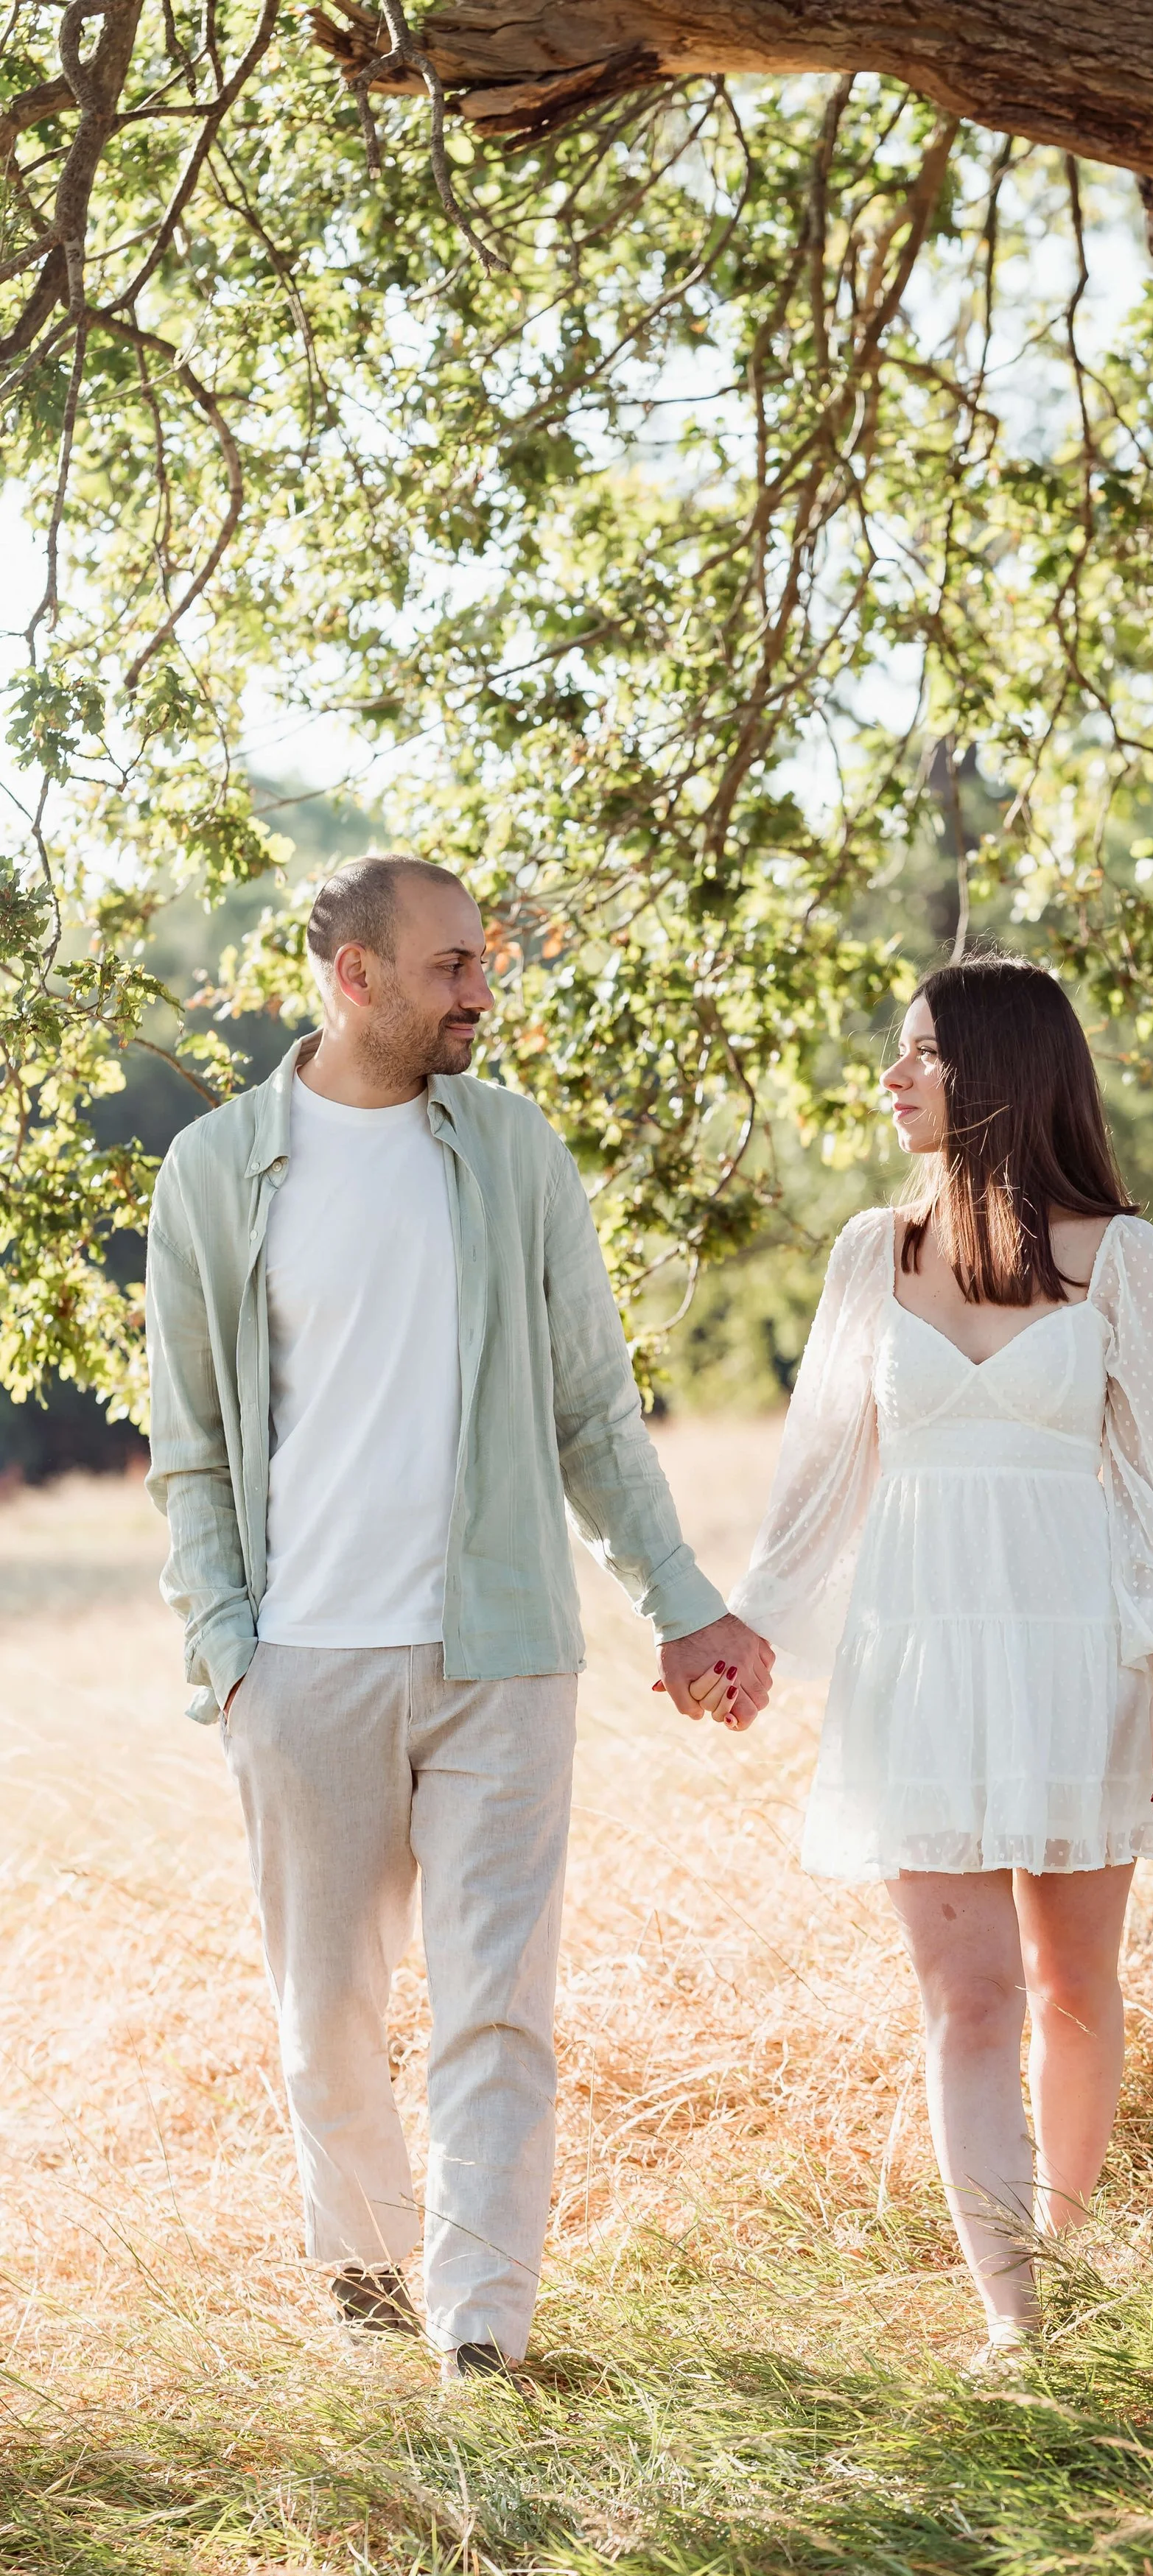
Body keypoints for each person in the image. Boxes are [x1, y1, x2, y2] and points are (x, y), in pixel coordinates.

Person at [145, 852, 772, 2390]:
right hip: (305, 1661)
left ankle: (479, 2323)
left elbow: (587, 1404)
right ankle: (364, 2279)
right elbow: (193, 1451)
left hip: (502, 1648)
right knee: (330, 2011)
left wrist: (680, 1602)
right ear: (351, 977)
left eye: (482, 964)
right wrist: (234, 1655)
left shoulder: (508, 1148)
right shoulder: (219, 1173)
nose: (480, 994)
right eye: (449, 969)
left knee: (499, 2002)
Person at [726, 953, 1153, 2357]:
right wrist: (743, 1633)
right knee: (967, 1995)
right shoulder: (868, 1256)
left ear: (1000, 1071)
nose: (892, 1078)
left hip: (1082, 1651)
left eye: (921, 1055)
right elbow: (817, 1478)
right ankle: (1015, 2318)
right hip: (921, 1658)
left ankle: (1076, 2258)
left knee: (1073, 1987)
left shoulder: (1125, 1261)